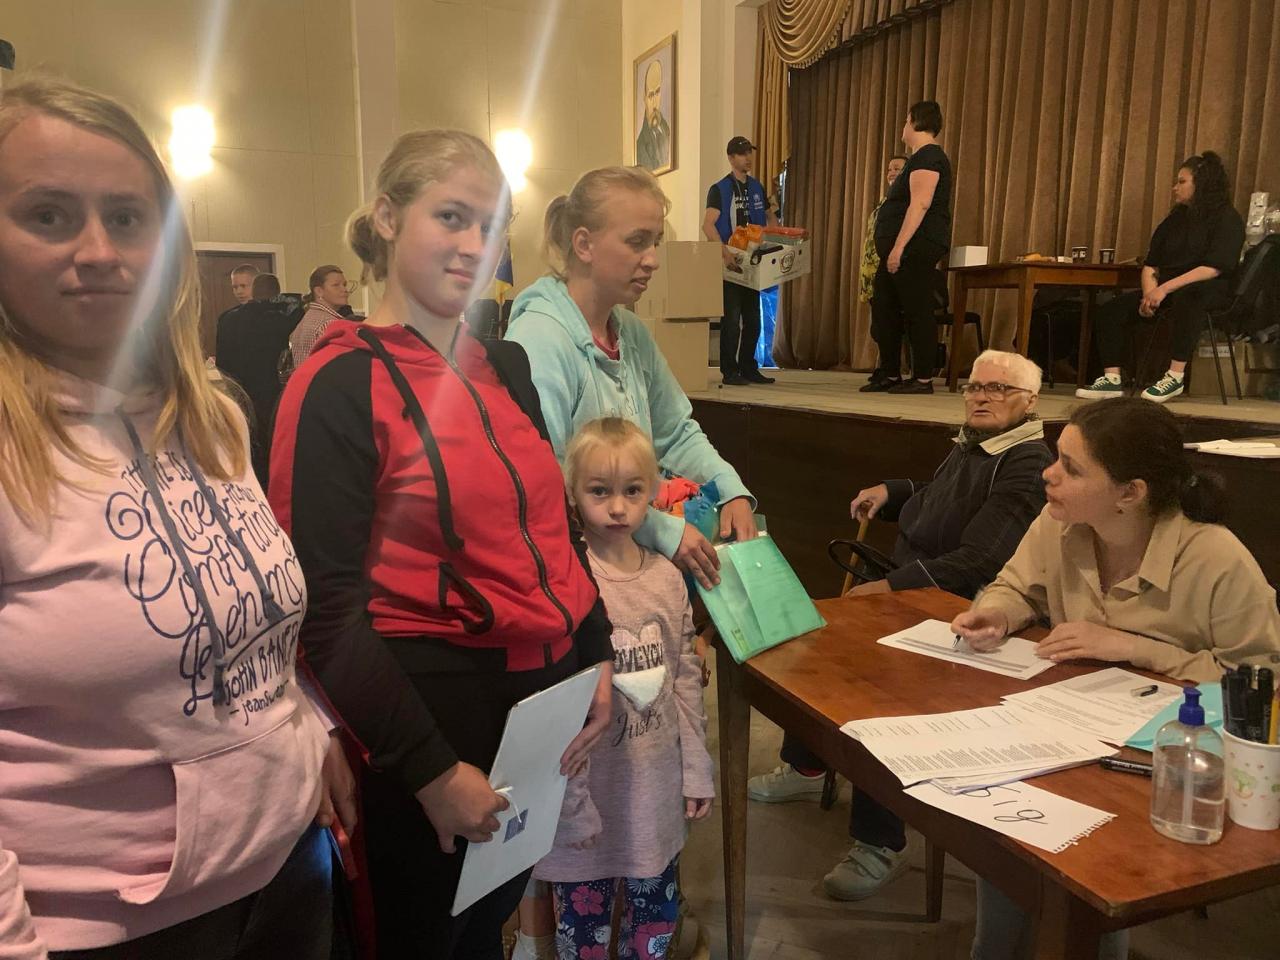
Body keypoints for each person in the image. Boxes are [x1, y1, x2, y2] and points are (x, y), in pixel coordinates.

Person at [0, 77, 349, 959]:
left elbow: (250, 612)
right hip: (109, 928)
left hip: (289, 876)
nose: (98, 250)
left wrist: (305, 732)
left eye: (126, 217)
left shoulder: (212, 416)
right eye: (48, 215)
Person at [269, 128, 616, 960]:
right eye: (451, 216)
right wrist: (428, 770)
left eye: (490, 226)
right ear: (388, 217)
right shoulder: (338, 382)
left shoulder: (507, 366)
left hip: (534, 716)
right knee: (421, 940)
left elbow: (555, 531)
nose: (474, 245)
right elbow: (323, 611)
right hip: (421, 722)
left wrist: (597, 652)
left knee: (483, 930)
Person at [953, 397, 1280, 960]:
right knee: (1001, 811)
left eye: (1072, 468)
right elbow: (1015, 586)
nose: (1049, 475)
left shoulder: (1214, 556)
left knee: (1084, 862)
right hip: (1071, 729)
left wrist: (1137, 648)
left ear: (1130, 493)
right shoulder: (1058, 522)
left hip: (1172, 760)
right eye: (1056, 457)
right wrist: (999, 614)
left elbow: (1260, 682)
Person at [748, 350, 1052, 901]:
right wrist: (893, 491)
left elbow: (981, 560)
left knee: (879, 694)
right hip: (915, 592)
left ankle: (880, 841)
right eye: (975, 386)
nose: (982, 397)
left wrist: (889, 589)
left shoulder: (1025, 463)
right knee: (818, 644)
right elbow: (940, 499)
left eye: (999, 389)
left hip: (962, 609)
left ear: (1030, 402)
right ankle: (808, 764)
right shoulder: (978, 443)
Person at [506, 165, 758, 592]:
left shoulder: (631, 332)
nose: (653, 259)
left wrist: (730, 488)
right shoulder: (539, 340)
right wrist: (661, 530)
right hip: (574, 569)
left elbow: (675, 432)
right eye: (637, 242)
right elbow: (550, 482)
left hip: (626, 547)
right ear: (583, 244)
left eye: (654, 242)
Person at [532, 417, 714, 960]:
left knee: (653, 925)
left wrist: (697, 768)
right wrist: (570, 805)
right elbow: (556, 706)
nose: (617, 508)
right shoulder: (564, 580)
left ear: (653, 491)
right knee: (580, 935)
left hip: (652, 798)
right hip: (583, 802)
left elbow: (684, 679)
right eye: (599, 491)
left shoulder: (666, 578)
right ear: (572, 493)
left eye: (632, 491)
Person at [1077, 152, 1245, 403]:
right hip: (1167, 290)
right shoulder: (1175, 219)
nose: (1175, 187)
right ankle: (1112, 378)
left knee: (1190, 297)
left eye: (1182, 181)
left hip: (1209, 288)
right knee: (1111, 310)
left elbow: (1214, 268)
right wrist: (1149, 295)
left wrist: (1164, 289)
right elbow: (1151, 264)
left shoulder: (1227, 218)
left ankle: (1175, 376)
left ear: (1202, 183)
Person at [863, 100, 952, 394]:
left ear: (915, 122)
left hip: (915, 246)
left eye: (905, 120)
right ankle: (890, 373)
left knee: (916, 309)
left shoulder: (929, 156)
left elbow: (920, 204)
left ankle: (923, 378)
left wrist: (899, 247)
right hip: (900, 248)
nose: (903, 126)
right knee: (884, 306)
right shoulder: (918, 158)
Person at [702, 136, 780, 386]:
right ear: (731, 157)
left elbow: (770, 217)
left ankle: (749, 367)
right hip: (732, 260)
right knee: (732, 319)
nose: (748, 158)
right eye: (742, 153)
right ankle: (729, 370)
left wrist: (772, 242)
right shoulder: (720, 189)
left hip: (754, 260)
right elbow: (708, 225)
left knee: (753, 318)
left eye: (749, 152)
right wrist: (724, 253)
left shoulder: (756, 187)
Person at [214, 272, 301, 486]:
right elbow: (297, 307)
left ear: (255, 288)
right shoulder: (281, 318)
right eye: (235, 287)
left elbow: (222, 364)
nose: (239, 291)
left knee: (245, 448)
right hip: (270, 393)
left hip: (239, 393)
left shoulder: (227, 319)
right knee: (271, 448)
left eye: (244, 286)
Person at [857, 155, 907, 305]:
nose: (891, 173)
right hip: (873, 266)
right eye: (889, 170)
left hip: (892, 265)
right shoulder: (885, 201)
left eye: (897, 169)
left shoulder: (908, 199)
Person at [286, 263, 350, 370]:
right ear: (319, 291)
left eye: (344, 284)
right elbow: (339, 368)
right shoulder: (329, 324)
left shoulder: (306, 319)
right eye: (336, 285)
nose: (344, 289)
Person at [635, 59, 671, 172]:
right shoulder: (640, 145)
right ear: (644, 98)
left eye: (657, 92)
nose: (655, 103)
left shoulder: (667, 129)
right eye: (651, 95)